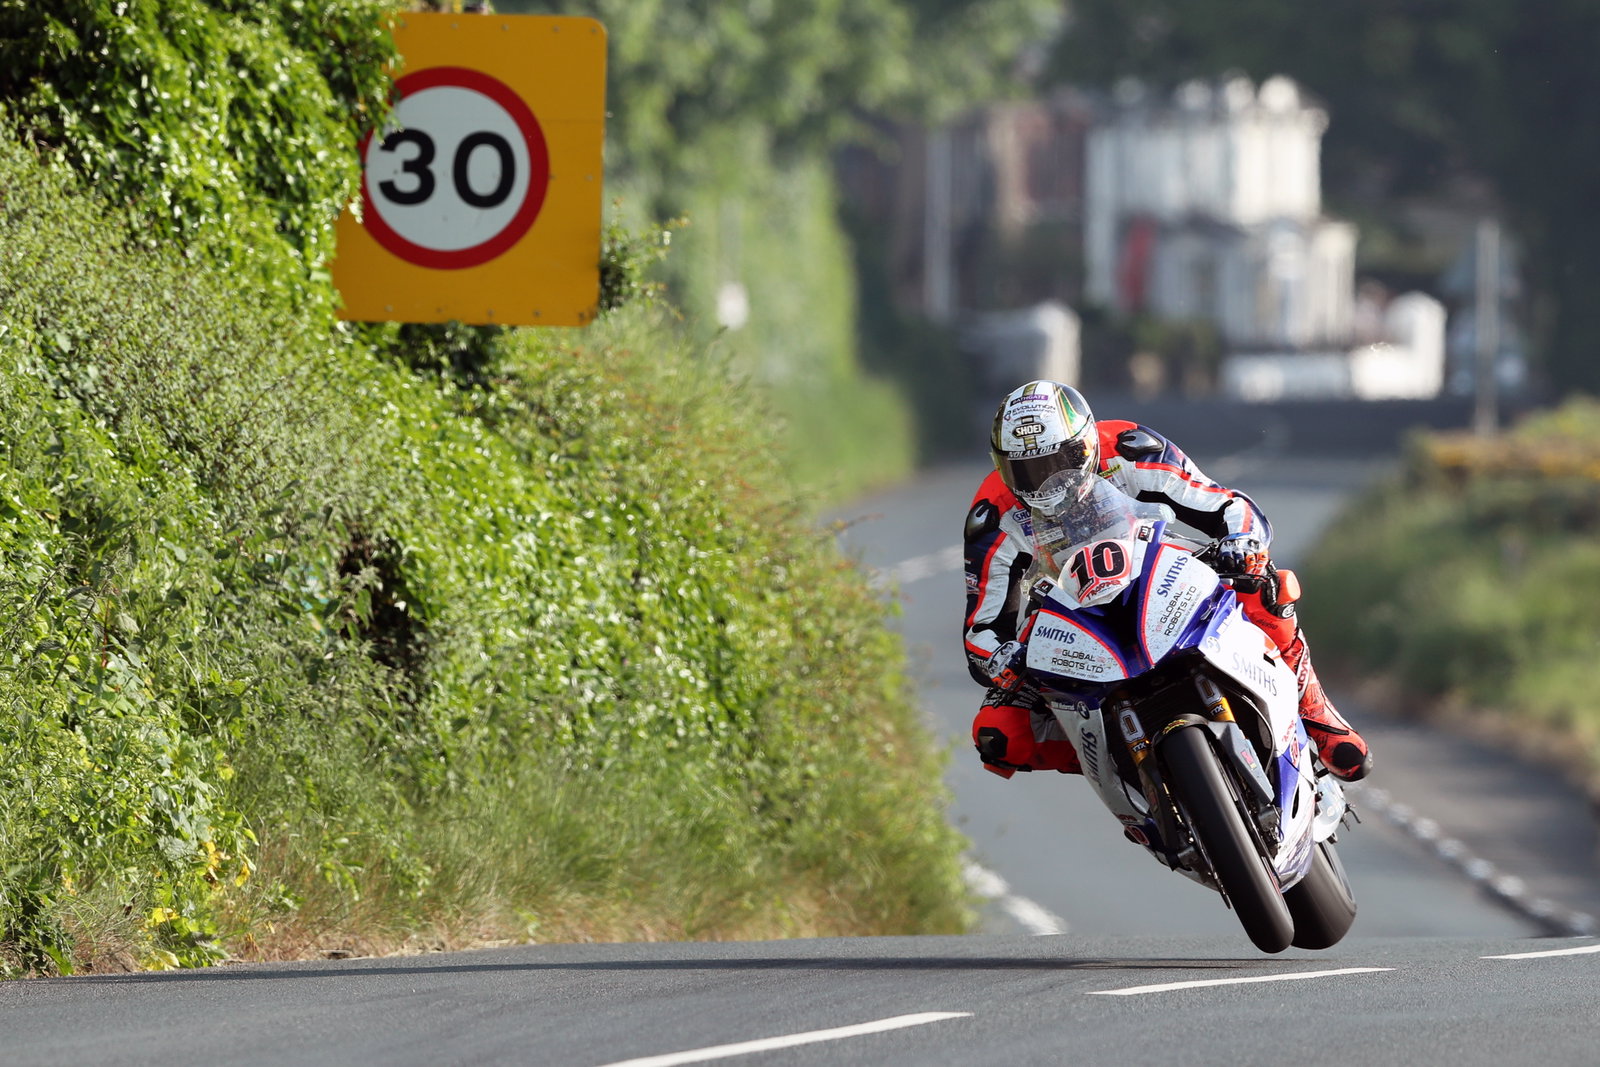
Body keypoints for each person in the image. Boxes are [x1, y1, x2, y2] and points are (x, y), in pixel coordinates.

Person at [962, 379, 1373, 783]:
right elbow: (981, 627)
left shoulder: (1128, 449)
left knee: (1264, 584)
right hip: (1070, 614)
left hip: (1160, 569)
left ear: (1087, 442)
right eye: (1027, 471)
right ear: (1002, 466)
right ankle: (1120, 766)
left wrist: (1241, 544)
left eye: (1061, 460)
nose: (1048, 480)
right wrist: (1004, 659)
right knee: (997, 735)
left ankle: (1317, 717)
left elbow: (1225, 504)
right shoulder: (993, 513)